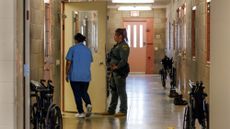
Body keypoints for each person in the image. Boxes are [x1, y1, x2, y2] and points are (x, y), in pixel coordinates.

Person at [103, 28, 130, 117]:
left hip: (119, 71)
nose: (114, 37)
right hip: (114, 72)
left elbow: (124, 60)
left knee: (121, 91)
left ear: (120, 36)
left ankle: (123, 110)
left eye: (115, 35)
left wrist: (117, 66)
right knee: (113, 91)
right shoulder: (117, 45)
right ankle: (111, 109)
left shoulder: (124, 46)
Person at [65, 33, 93, 118]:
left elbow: (69, 62)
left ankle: (81, 112)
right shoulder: (88, 50)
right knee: (83, 92)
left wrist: (67, 73)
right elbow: (90, 61)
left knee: (77, 94)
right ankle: (88, 104)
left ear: (76, 40)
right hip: (86, 76)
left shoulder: (72, 49)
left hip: (75, 76)